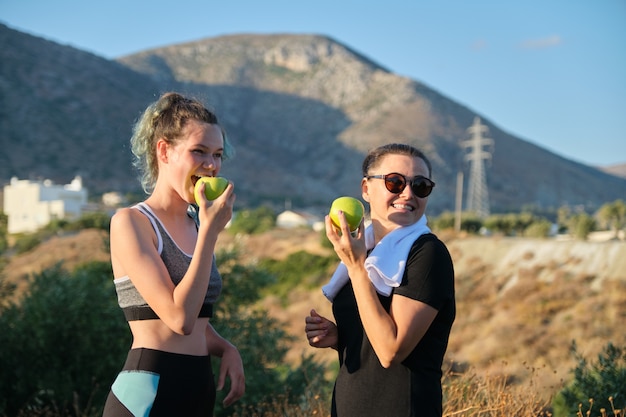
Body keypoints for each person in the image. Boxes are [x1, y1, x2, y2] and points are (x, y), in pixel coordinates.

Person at [103, 92, 245, 417]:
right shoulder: (131, 223)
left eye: (218, 154)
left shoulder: (197, 224)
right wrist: (211, 233)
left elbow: (196, 322)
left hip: (198, 390)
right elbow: (178, 319)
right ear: (164, 151)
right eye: (199, 152)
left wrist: (225, 347)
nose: (211, 165)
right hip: (148, 395)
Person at [305, 143, 455, 417]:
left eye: (420, 185)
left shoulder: (428, 254)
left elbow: (390, 350)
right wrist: (342, 337)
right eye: (395, 182)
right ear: (366, 189)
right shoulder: (367, 250)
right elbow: (373, 337)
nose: (407, 193)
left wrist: (356, 267)